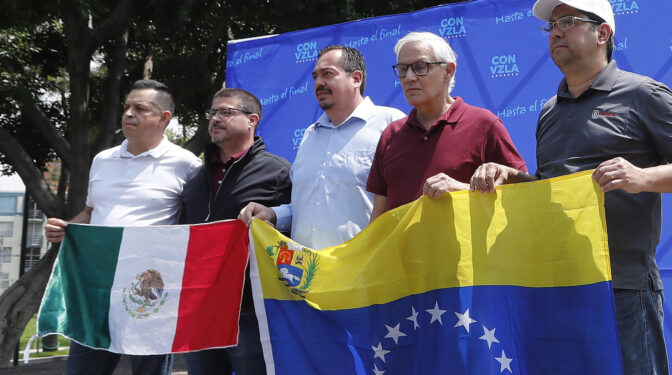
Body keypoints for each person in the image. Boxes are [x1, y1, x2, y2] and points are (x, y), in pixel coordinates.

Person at [470, 1, 672, 373]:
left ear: (602, 33)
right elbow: (554, 189)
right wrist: (513, 177)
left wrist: (642, 177)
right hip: (560, 282)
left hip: (623, 285)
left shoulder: (643, 93)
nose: (556, 31)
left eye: (568, 22)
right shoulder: (549, 110)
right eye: (552, 25)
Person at [44, 79, 202, 375]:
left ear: (163, 118)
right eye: (127, 106)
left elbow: (192, 229)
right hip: (98, 287)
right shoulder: (103, 160)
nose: (129, 113)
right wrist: (68, 227)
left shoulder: (188, 165)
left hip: (151, 292)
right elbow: (91, 212)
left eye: (140, 108)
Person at [238, 46, 405, 249]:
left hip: (367, 271)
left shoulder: (390, 123)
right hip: (309, 273)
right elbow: (305, 206)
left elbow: (404, 200)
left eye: (328, 74)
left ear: (356, 78)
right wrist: (273, 214)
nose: (319, 83)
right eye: (315, 76)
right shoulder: (310, 135)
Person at [180, 88, 292, 374]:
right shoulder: (195, 178)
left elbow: (297, 232)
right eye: (213, 113)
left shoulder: (279, 173)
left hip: (250, 311)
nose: (215, 118)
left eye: (226, 112)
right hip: (199, 310)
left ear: (252, 120)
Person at [366, 32, 527, 221]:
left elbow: (521, 193)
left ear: (449, 71)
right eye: (402, 69)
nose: (408, 77)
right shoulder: (391, 135)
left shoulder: (484, 124)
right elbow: (379, 213)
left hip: (468, 250)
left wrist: (464, 190)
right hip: (401, 251)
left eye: (420, 67)